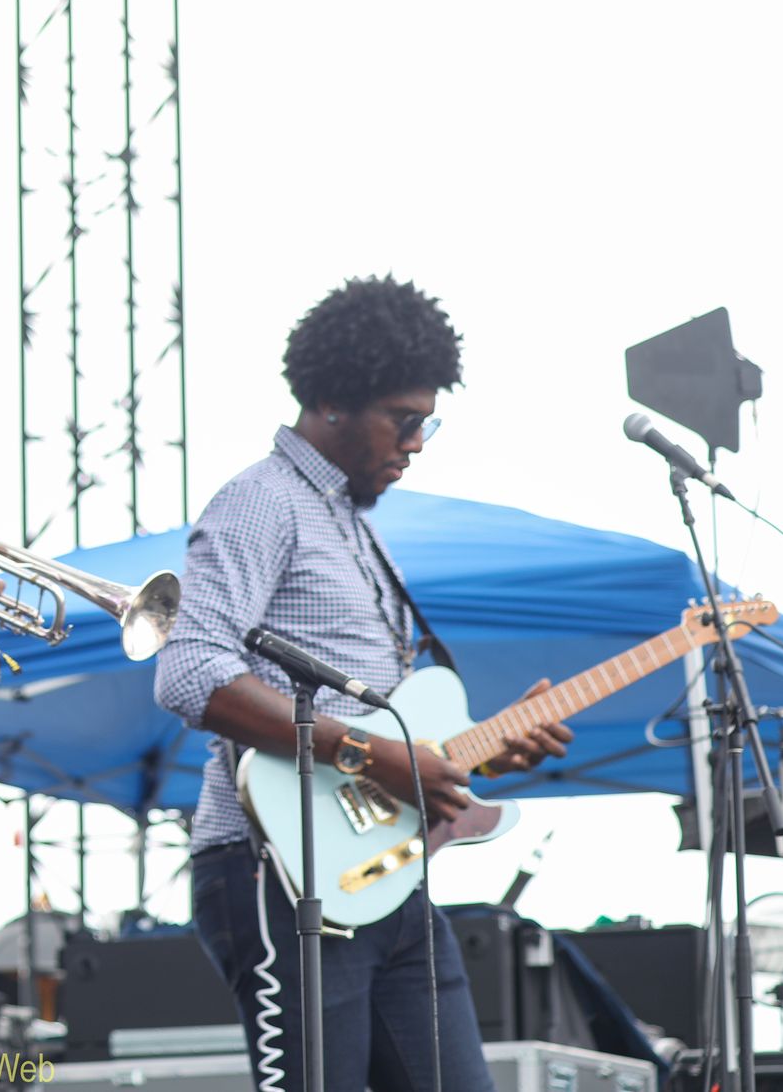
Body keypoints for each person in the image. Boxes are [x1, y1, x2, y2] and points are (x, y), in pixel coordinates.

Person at [154, 276, 574, 1092]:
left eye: (426, 422)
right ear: (336, 403)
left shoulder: (349, 524)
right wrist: (375, 757)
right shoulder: (259, 503)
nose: (417, 441)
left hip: (381, 876)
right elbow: (191, 670)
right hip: (275, 870)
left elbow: (385, 735)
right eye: (405, 419)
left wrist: (466, 757)